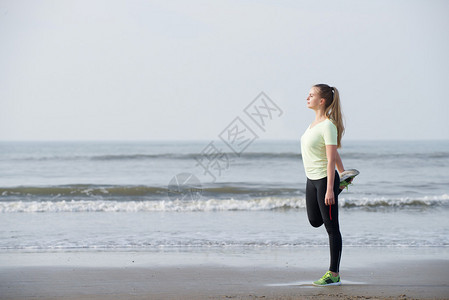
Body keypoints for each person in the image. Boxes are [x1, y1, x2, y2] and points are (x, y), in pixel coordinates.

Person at [300, 83, 347, 286]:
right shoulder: (313, 125)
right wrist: (344, 172)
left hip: (324, 180)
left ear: (322, 101)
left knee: (331, 228)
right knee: (314, 221)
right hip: (311, 180)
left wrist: (330, 188)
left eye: (311, 95)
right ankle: (343, 182)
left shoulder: (328, 125)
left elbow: (330, 159)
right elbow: (333, 153)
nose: (307, 98)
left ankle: (333, 273)